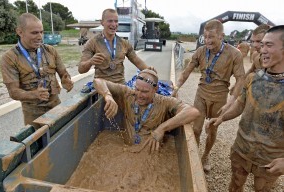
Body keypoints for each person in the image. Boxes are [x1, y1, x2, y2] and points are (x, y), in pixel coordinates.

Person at [206, 25, 284, 191]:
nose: (262, 50)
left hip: (269, 159)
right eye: (261, 45)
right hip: (242, 150)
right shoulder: (252, 79)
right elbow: (240, 105)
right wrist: (221, 118)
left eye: (269, 45)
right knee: (235, 185)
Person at [172, 19, 245, 171]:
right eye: (205, 37)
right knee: (196, 129)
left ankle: (205, 156)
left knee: (212, 130)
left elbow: (240, 79)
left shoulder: (234, 54)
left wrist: (231, 101)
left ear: (221, 36)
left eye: (211, 37)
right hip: (201, 94)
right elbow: (187, 71)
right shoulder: (200, 51)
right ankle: (194, 157)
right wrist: (177, 86)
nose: (207, 41)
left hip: (220, 98)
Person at [93, 69, 200, 151]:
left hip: (150, 152)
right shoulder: (127, 93)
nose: (139, 95)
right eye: (137, 89)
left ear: (155, 89)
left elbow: (193, 112)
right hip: (126, 149)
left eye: (144, 91)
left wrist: (161, 128)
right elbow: (97, 81)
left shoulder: (165, 102)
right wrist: (108, 95)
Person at [0, 13, 74, 129]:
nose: (40, 36)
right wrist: (33, 94)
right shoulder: (9, 57)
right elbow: (13, 92)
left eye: (41, 32)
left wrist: (67, 80)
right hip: (33, 114)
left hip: (56, 106)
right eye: (34, 33)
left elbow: (63, 73)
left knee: (62, 138)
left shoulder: (51, 51)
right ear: (20, 32)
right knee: (39, 145)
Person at [78, 8, 152, 85]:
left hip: (120, 86)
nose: (113, 24)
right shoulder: (92, 43)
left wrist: (150, 71)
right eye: (110, 21)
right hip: (102, 87)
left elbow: (137, 61)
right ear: (102, 22)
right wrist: (90, 62)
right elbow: (81, 69)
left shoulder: (124, 43)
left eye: (116, 21)